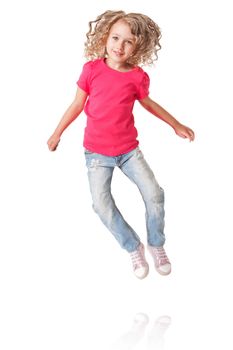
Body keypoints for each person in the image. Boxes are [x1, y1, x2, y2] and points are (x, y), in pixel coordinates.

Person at [47, 10, 195, 279]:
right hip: (96, 154)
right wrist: (57, 133)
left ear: (138, 46)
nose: (119, 46)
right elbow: (77, 104)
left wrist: (176, 124)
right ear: (105, 37)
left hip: (128, 151)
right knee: (101, 205)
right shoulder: (91, 70)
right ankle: (133, 246)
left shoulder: (136, 76)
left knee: (154, 194)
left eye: (128, 41)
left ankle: (156, 244)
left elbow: (149, 104)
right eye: (115, 38)